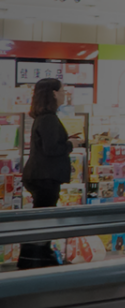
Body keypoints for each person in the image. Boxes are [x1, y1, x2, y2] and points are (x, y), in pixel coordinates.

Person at [13, 78, 73, 269]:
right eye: (63, 90)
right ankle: (34, 256)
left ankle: (37, 255)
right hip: (45, 176)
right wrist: (71, 144)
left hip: (40, 175)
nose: (65, 94)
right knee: (44, 217)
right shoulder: (49, 118)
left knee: (42, 216)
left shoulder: (42, 117)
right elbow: (52, 149)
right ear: (54, 93)